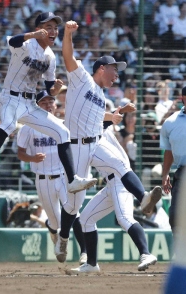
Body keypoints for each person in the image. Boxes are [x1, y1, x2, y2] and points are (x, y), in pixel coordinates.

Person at [58, 20, 162, 265]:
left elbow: (99, 118)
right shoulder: (82, 79)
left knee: (119, 163)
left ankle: (144, 197)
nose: (117, 75)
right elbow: (67, 55)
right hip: (77, 148)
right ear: (102, 68)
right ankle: (63, 237)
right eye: (115, 69)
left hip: (94, 144)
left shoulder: (101, 97)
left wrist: (115, 114)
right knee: (73, 207)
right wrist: (68, 34)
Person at [0, 12, 97, 195]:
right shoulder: (26, 44)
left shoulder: (50, 57)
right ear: (39, 29)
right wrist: (32, 35)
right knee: (9, 124)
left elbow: (48, 88)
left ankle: (72, 180)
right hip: (10, 99)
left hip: (29, 104)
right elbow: (12, 41)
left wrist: (55, 90)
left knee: (63, 132)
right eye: (48, 27)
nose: (53, 31)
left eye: (55, 28)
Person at [67, 126, 158, 275]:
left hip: (120, 181)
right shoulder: (90, 135)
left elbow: (103, 122)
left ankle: (146, 254)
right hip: (110, 184)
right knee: (85, 219)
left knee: (124, 218)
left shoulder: (97, 131)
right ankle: (91, 264)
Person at [16, 90, 87, 265]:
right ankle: (53, 231)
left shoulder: (63, 125)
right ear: (37, 105)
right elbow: (20, 153)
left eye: (51, 102)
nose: (48, 105)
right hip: (43, 178)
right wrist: (32, 158)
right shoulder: (28, 127)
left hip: (63, 177)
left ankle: (84, 252)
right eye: (44, 102)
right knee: (55, 221)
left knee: (74, 212)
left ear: (55, 104)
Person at [160, 85, 186, 234]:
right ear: (183, 99)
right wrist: (165, 174)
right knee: (176, 215)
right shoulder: (171, 122)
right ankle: (181, 253)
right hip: (182, 173)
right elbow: (168, 150)